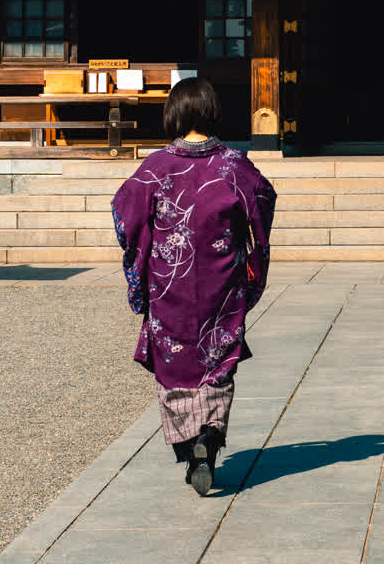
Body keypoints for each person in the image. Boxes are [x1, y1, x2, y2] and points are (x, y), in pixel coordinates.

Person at [111, 77, 276, 496]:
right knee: (216, 359)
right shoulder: (233, 164)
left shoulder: (155, 168)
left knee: (174, 364)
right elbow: (264, 198)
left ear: (175, 114)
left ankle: (190, 443)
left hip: (170, 284)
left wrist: (143, 259)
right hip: (221, 283)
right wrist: (241, 244)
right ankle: (210, 436)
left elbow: (124, 210)